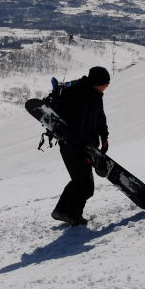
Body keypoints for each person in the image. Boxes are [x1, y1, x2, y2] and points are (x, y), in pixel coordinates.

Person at [51, 66, 111, 226]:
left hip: (85, 146)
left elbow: (100, 119)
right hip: (73, 147)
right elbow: (74, 130)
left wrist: (104, 137)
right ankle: (69, 214)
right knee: (84, 184)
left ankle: (65, 212)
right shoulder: (80, 95)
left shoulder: (95, 95)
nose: (107, 86)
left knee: (82, 182)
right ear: (97, 82)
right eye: (105, 83)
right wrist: (85, 153)